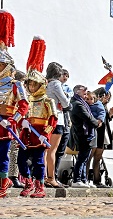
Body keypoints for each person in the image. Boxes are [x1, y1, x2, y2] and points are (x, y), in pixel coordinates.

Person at [17, 37, 56, 198]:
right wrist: (21, 122)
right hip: (26, 133)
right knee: (21, 161)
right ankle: (28, 183)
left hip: (39, 134)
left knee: (39, 162)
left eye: (34, 85)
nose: (32, 87)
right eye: (30, 85)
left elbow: (53, 120)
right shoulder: (26, 99)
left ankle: (40, 187)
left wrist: (45, 134)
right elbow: (21, 113)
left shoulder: (48, 100)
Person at [0, 11, 29, 198]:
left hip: (5, 125)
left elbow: (24, 106)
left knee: (2, 156)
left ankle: (3, 181)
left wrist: (13, 121)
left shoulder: (16, 85)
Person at [69, 85, 101, 187]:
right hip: (82, 133)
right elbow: (87, 117)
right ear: (77, 92)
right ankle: (76, 179)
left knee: (85, 158)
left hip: (85, 133)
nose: (86, 93)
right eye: (84, 91)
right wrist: (97, 123)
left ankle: (83, 179)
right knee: (82, 158)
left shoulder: (80, 103)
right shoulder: (77, 104)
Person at [43, 62, 68, 188]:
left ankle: (42, 176)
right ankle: (51, 178)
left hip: (44, 118)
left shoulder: (44, 83)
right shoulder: (56, 84)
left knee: (44, 150)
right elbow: (65, 102)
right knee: (52, 150)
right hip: (56, 118)